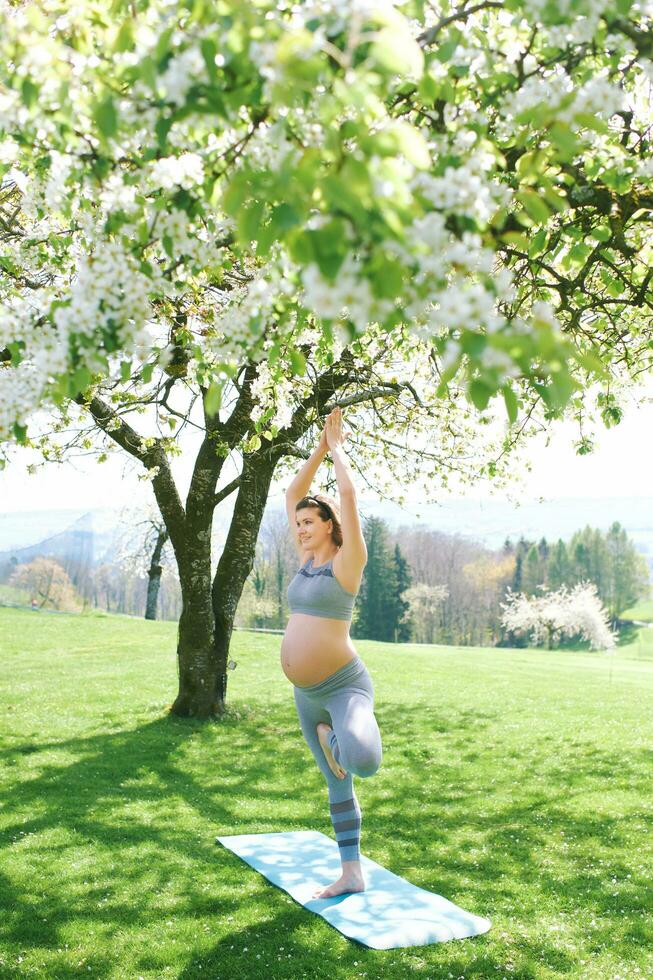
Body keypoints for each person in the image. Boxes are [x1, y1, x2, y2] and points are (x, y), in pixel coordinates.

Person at [281, 406, 383, 899]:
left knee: (361, 763)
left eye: (308, 521)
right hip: (306, 695)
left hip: (344, 685)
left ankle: (338, 740)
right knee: (336, 783)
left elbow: (347, 495)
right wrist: (318, 444)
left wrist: (338, 449)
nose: (299, 526)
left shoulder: (348, 564)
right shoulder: (304, 562)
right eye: (297, 522)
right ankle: (351, 873)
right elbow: (291, 492)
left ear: (328, 524)